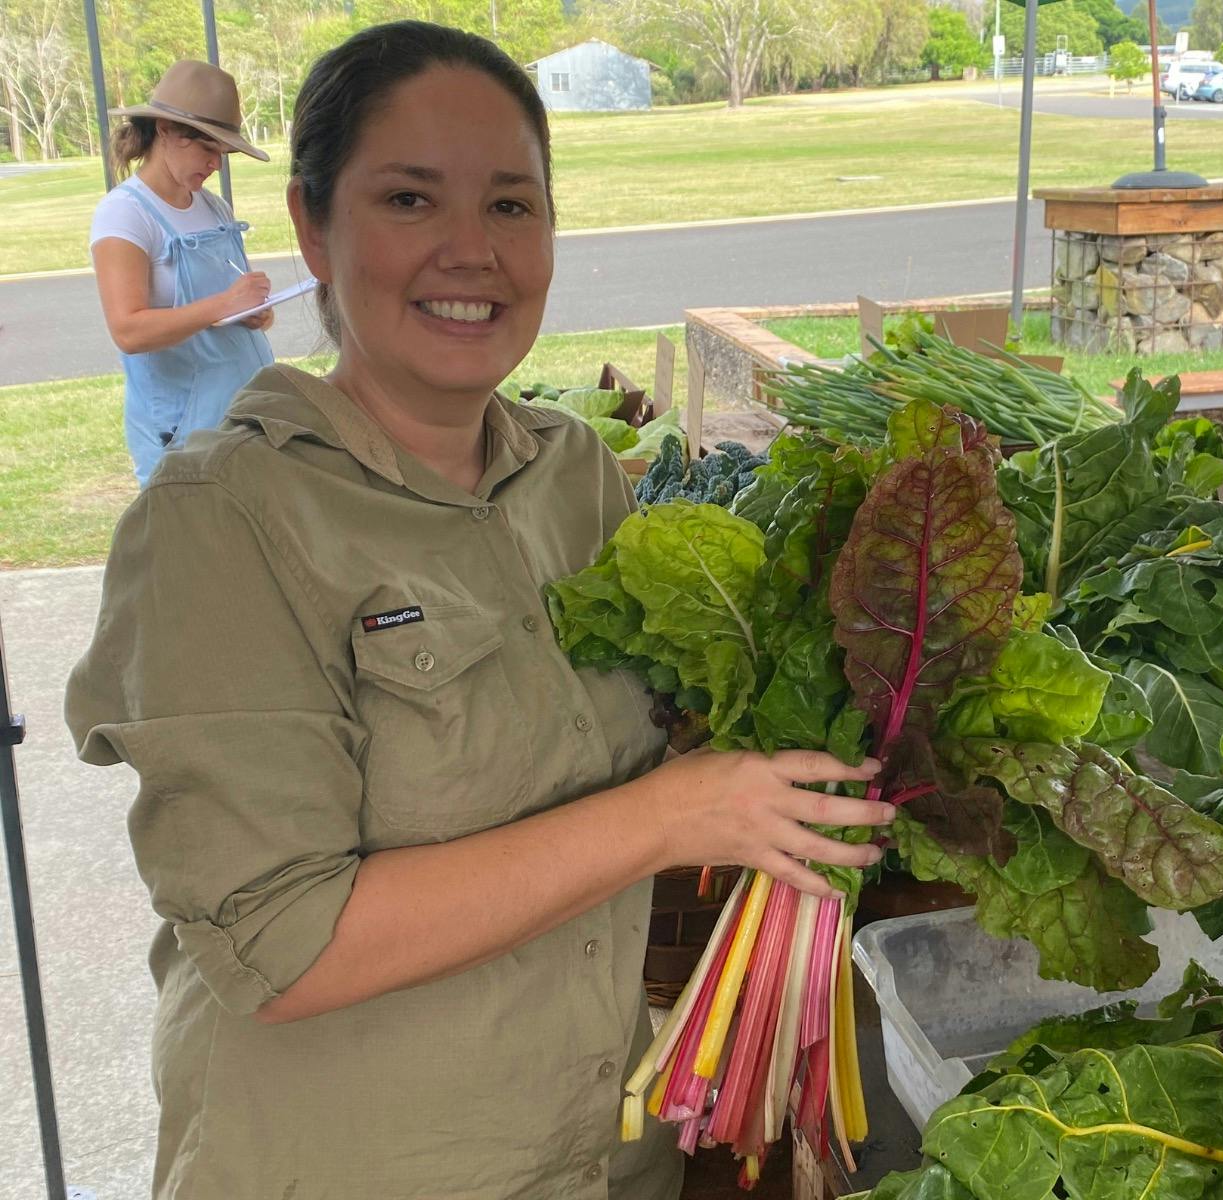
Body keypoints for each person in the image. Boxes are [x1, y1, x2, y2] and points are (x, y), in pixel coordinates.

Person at [64, 21, 891, 1200]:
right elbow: (284, 946)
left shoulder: (574, 476)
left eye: (512, 207)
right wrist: (673, 815)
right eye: (409, 200)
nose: (472, 252)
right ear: (311, 224)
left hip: (602, 1146)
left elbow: (630, 755)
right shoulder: (221, 523)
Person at [90, 60, 276, 486]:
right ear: (167, 132)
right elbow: (128, 331)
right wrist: (222, 305)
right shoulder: (125, 213)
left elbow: (233, 305)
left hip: (242, 417)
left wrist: (256, 314)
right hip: (182, 432)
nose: (216, 164)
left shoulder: (214, 207)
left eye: (222, 153)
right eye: (207, 149)